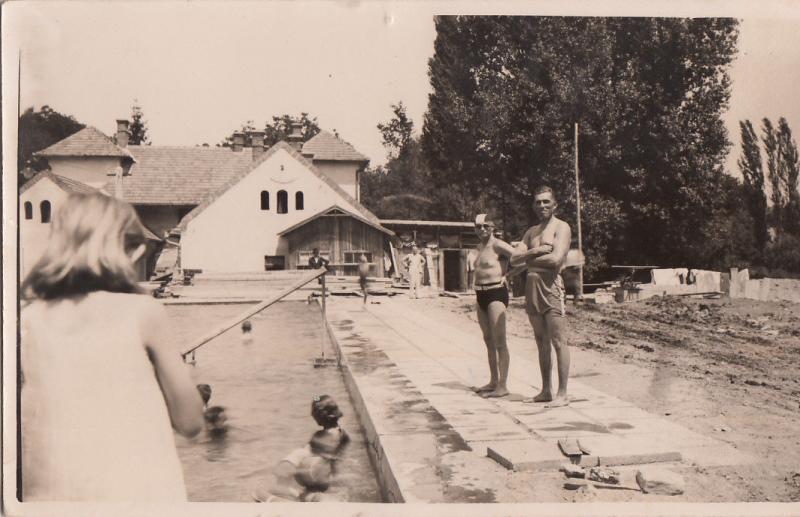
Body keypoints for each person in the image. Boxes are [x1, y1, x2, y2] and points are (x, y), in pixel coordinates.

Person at [20, 192, 204, 501]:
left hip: (51, 497)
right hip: (136, 491)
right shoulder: (142, 312)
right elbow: (190, 421)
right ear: (121, 249)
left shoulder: (28, 320)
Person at [511, 186, 572, 408]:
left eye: (546, 202)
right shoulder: (531, 232)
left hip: (551, 285)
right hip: (532, 286)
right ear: (533, 206)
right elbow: (514, 261)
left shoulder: (561, 227)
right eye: (538, 202)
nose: (542, 206)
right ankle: (546, 390)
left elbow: (556, 261)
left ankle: (562, 393)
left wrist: (525, 259)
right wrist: (536, 252)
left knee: (558, 340)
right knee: (540, 341)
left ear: (555, 204)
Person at [470, 214, 516, 398]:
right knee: (488, 339)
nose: (481, 229)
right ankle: (493, 381)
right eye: (478, 226)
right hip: (480, 294)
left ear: (492, 227)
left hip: (495, 292)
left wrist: (509, 274)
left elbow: (519, 257)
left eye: (485, 226)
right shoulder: (479, 247)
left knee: (500, 341)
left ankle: (503, 385)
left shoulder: (498, 244)